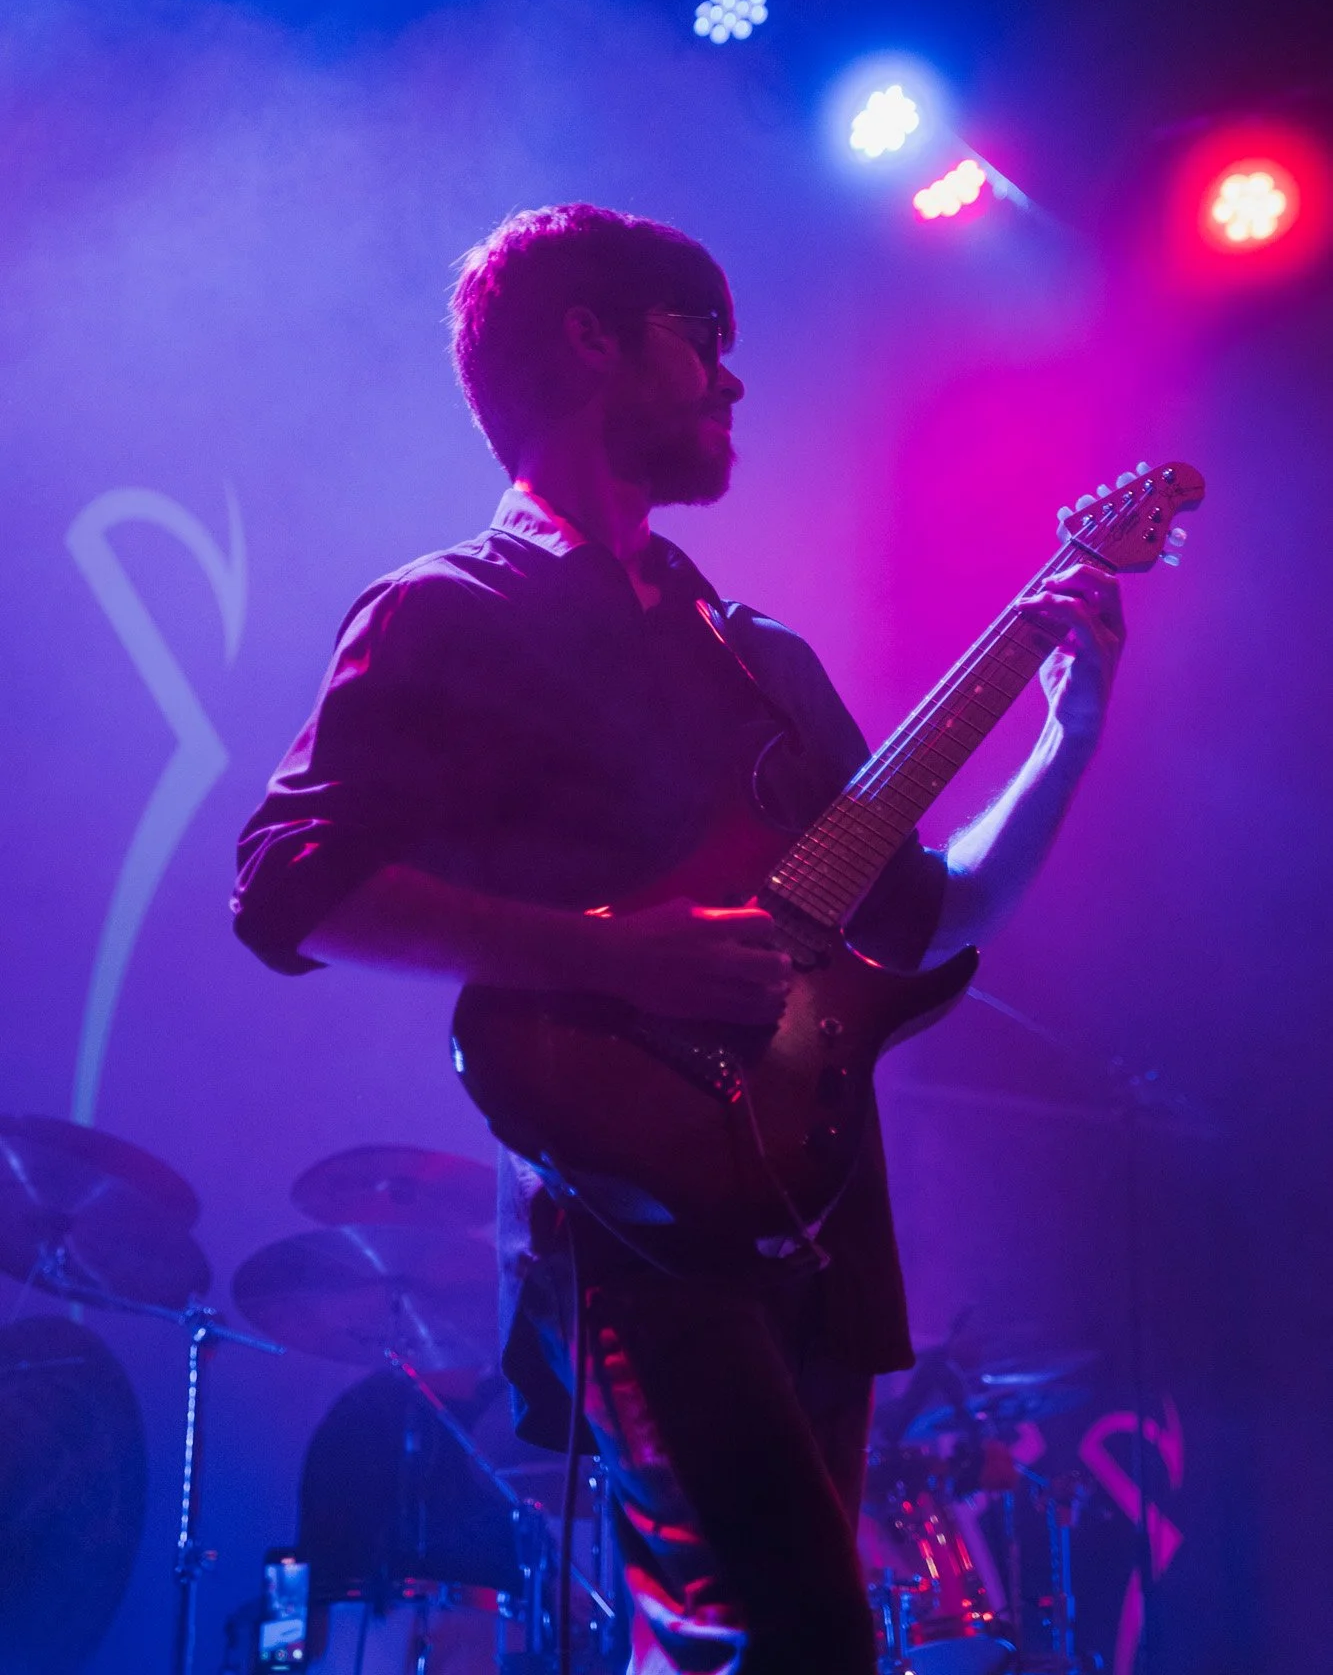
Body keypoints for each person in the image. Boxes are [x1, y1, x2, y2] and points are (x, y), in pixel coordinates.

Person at [232, 203, 1123, 1675]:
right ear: (590, 339)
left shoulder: (757, 652)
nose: (733, 381)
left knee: (742, 1658)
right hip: (632, 1226)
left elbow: (926, 910)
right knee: (794, 1647)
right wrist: (613, 953)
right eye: (701, 339)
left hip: (821, 1228)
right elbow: (286, 884)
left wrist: (1065, 737)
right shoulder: (449, 608)